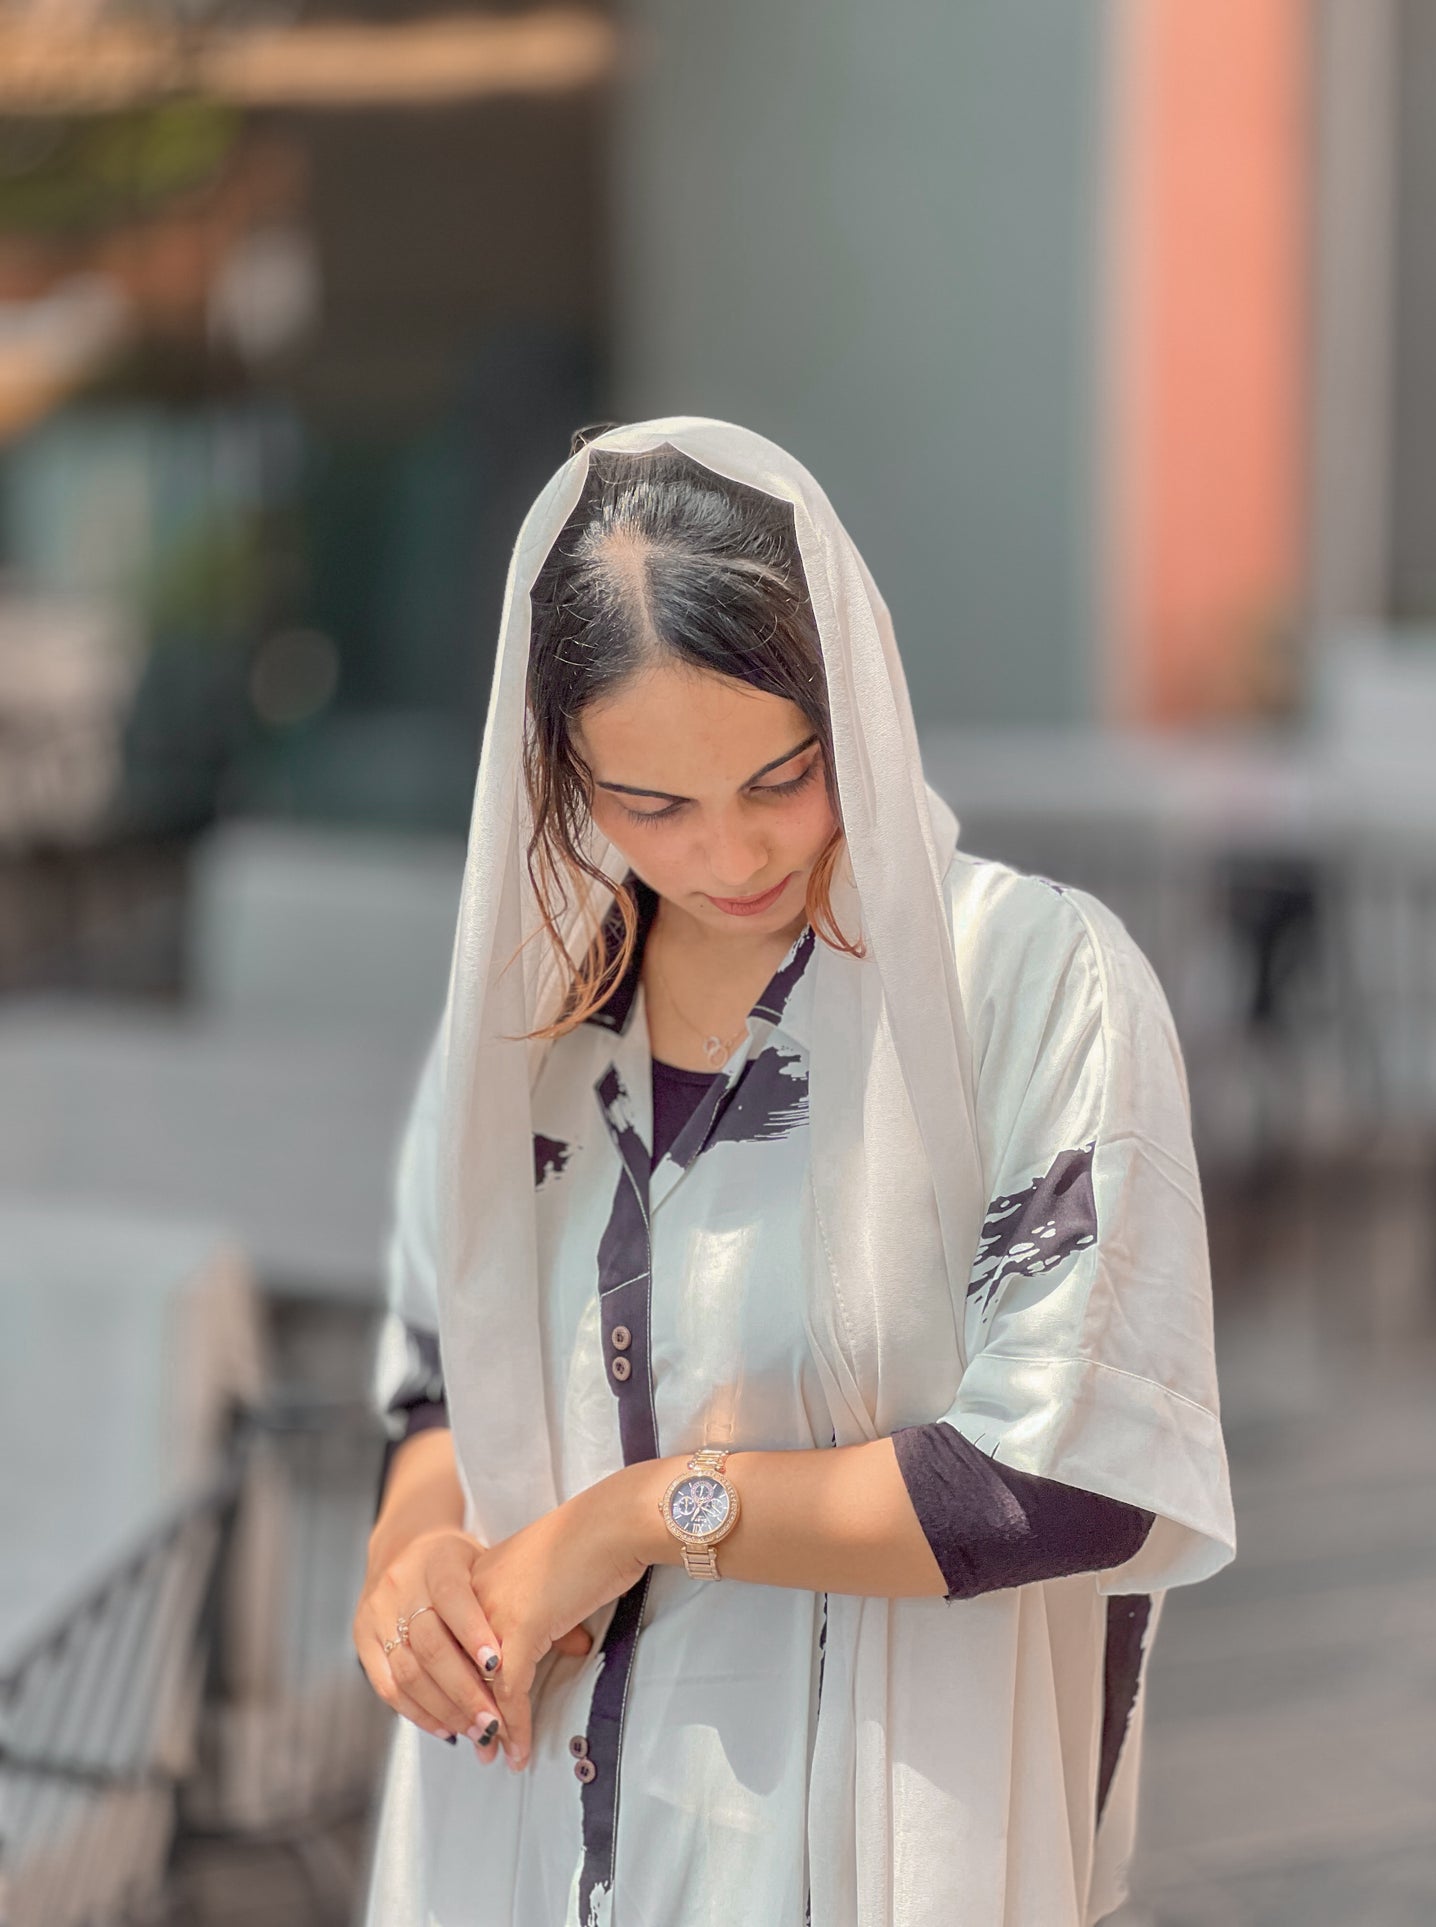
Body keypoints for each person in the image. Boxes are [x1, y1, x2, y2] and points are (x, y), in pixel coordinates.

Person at [353, 417, 1236, 1926]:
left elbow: (1061, 1476)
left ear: (860, 700)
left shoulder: (1020, 987)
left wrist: (639, 1515)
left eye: (782, 775)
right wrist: (412, 1559)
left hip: (858, 1863)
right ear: (559, 775)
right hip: (511, 1851)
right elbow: (441, 1379)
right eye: (651, 808)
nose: (730, 852)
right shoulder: (525, 1028)